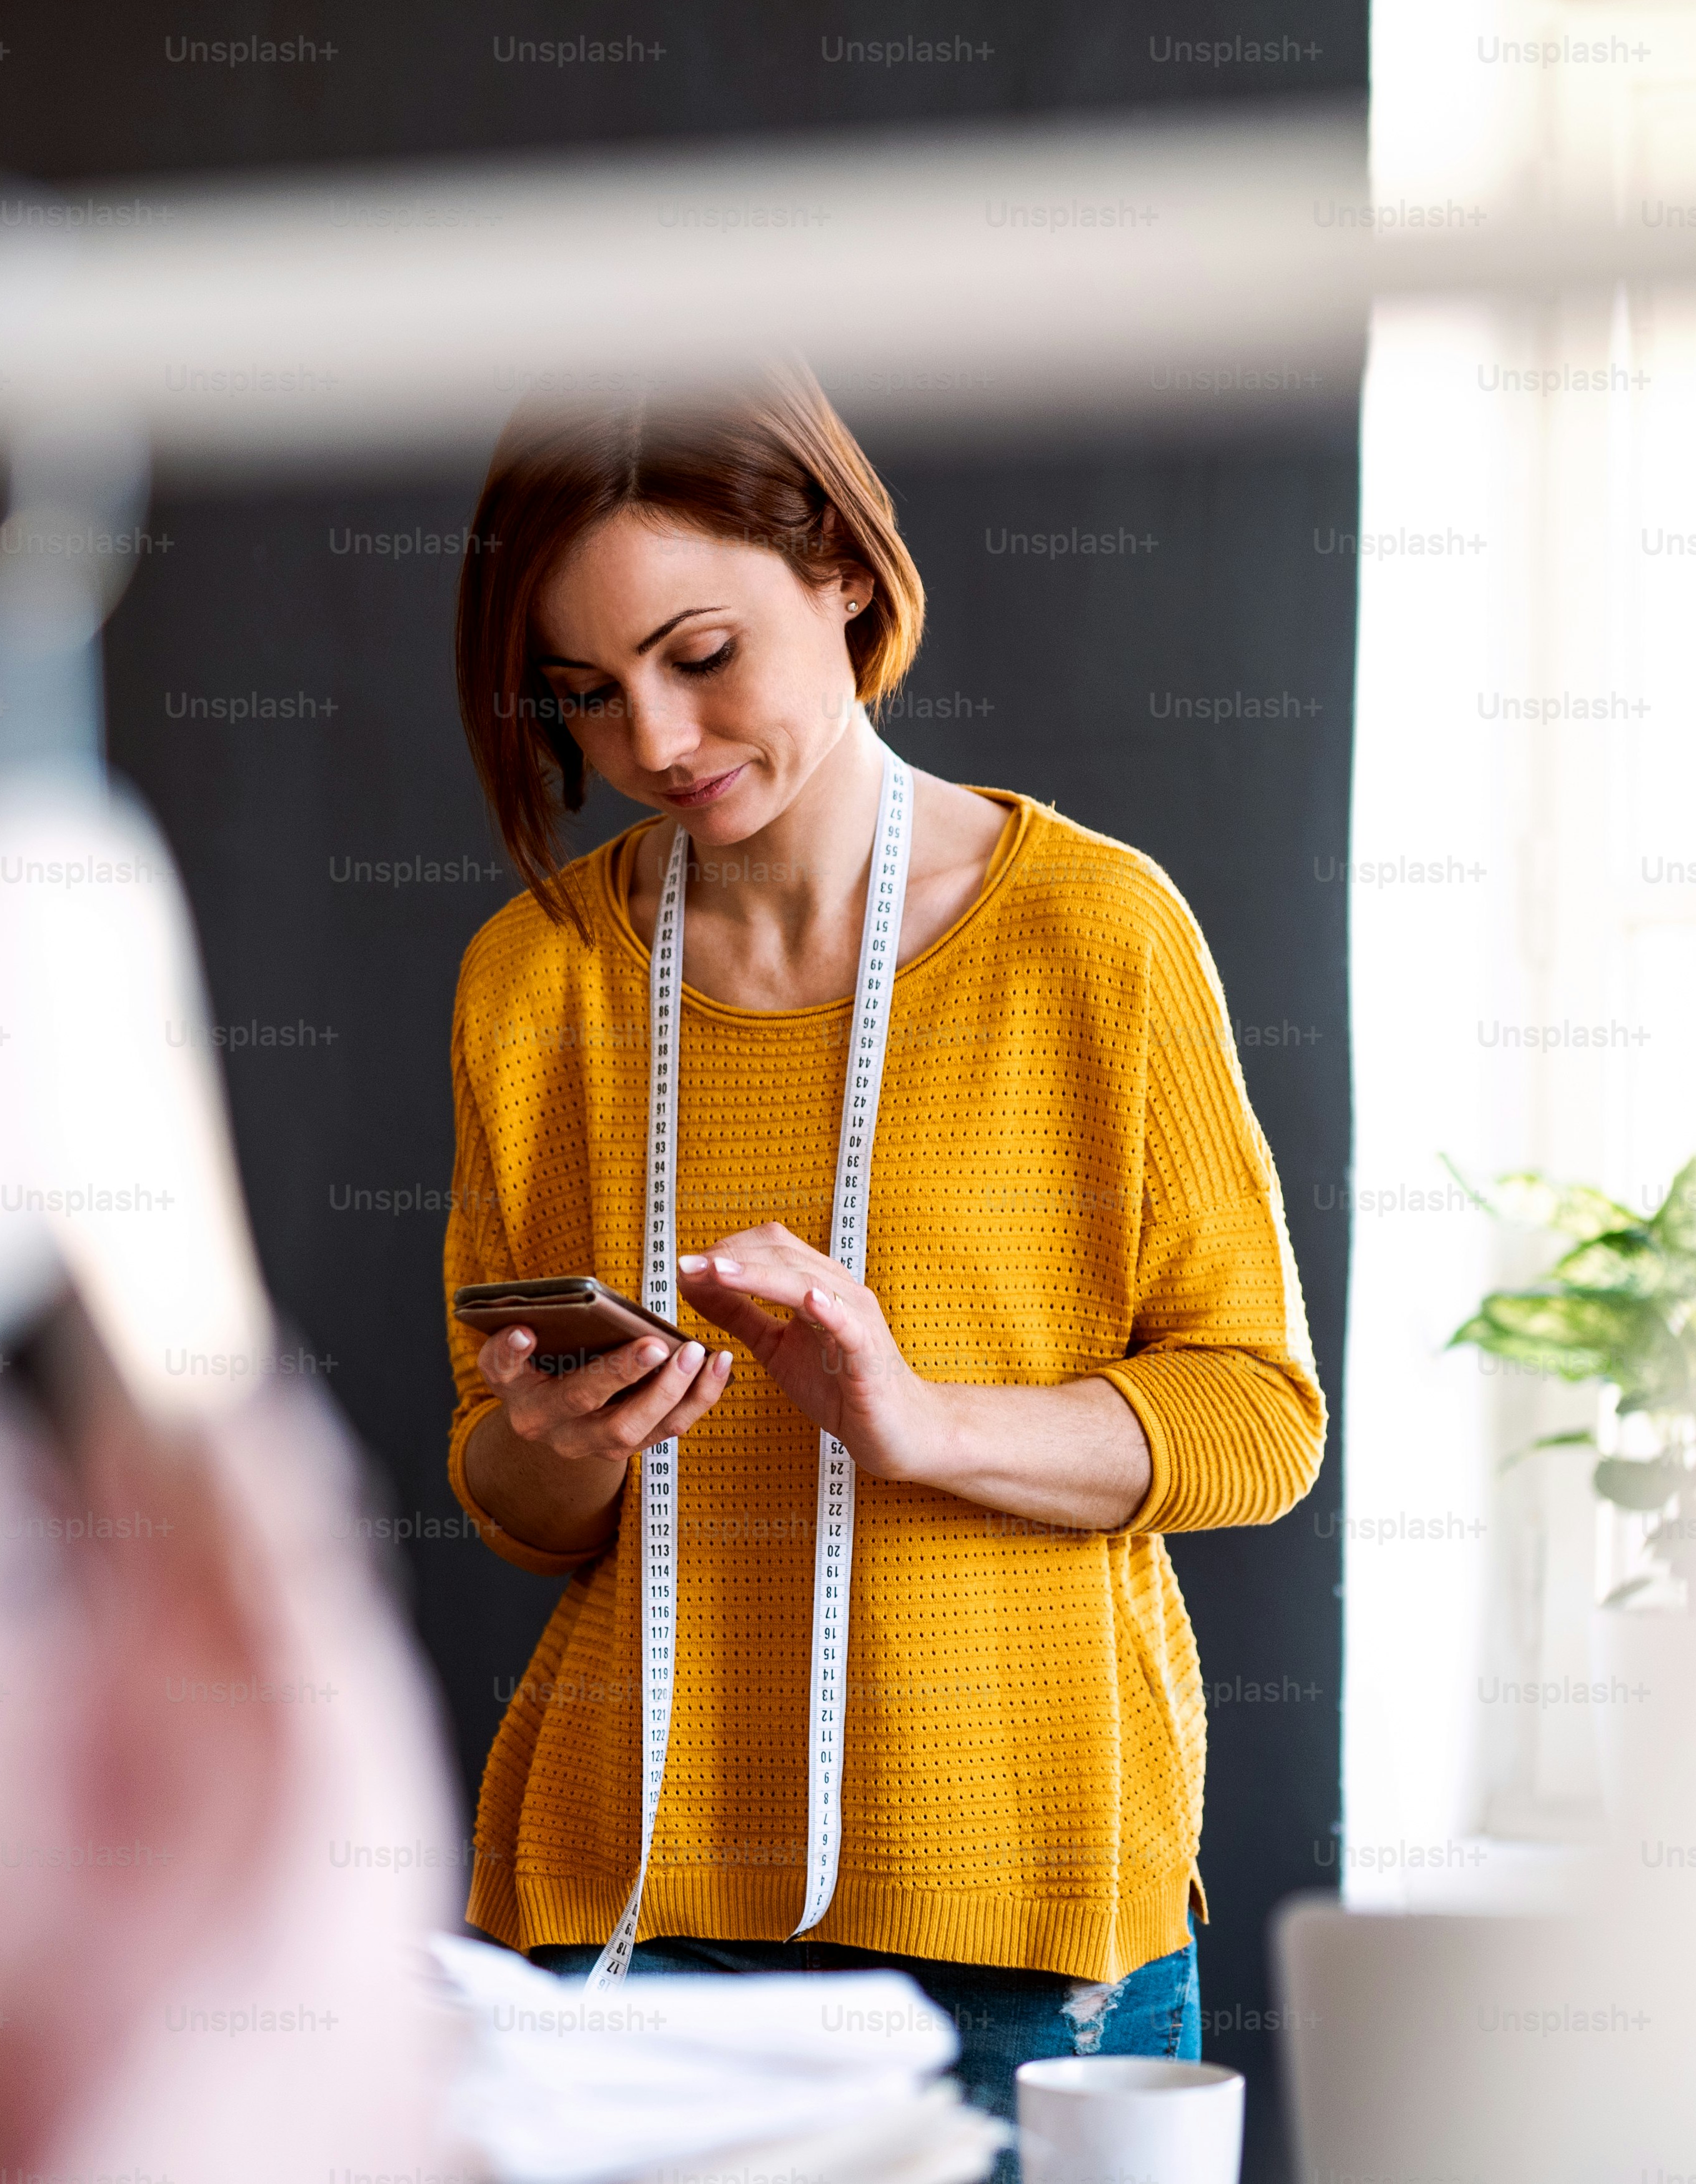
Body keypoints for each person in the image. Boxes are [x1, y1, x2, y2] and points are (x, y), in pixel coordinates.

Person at [439, 356, 1325, 2148]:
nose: (655, 742)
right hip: (629, 1908)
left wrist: (922, 1422)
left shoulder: (1096, 938)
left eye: (702, 654)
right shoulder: (537, 980)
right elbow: (511, 1496)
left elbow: (1260, 1420)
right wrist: (553, 1445)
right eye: (586, 693)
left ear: (843, 569)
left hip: (1025, 1909)